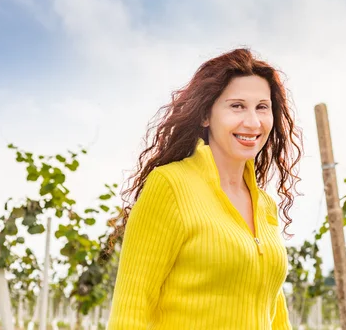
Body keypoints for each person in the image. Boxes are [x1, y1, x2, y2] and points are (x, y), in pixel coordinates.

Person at [107, 48, 303, 329]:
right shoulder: (170, 186)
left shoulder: (265, 205)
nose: (252, 122)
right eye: (237, 106)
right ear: (205, 116)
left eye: (262, 107)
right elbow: (130, 313)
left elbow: (277, 318)